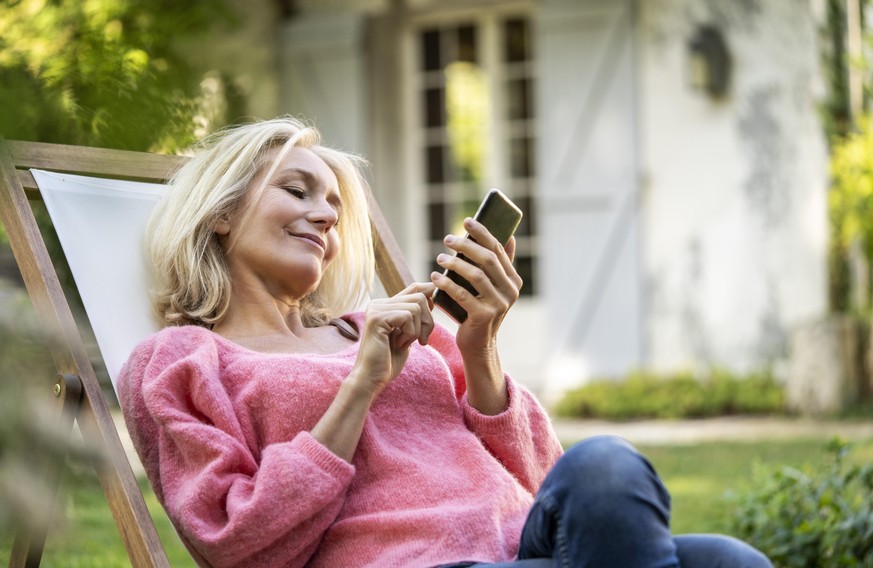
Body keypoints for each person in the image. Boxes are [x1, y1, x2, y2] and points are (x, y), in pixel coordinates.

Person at [118, 116, 771, 568]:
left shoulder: (394, 327)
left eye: (335, 208)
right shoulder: (182, 360)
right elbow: (235, 544)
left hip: (523, 545)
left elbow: (548, 482)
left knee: (621, 480)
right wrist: (360, 385)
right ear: (222, 212)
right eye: (297, 190)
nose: (325, 215)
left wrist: (481, 344)